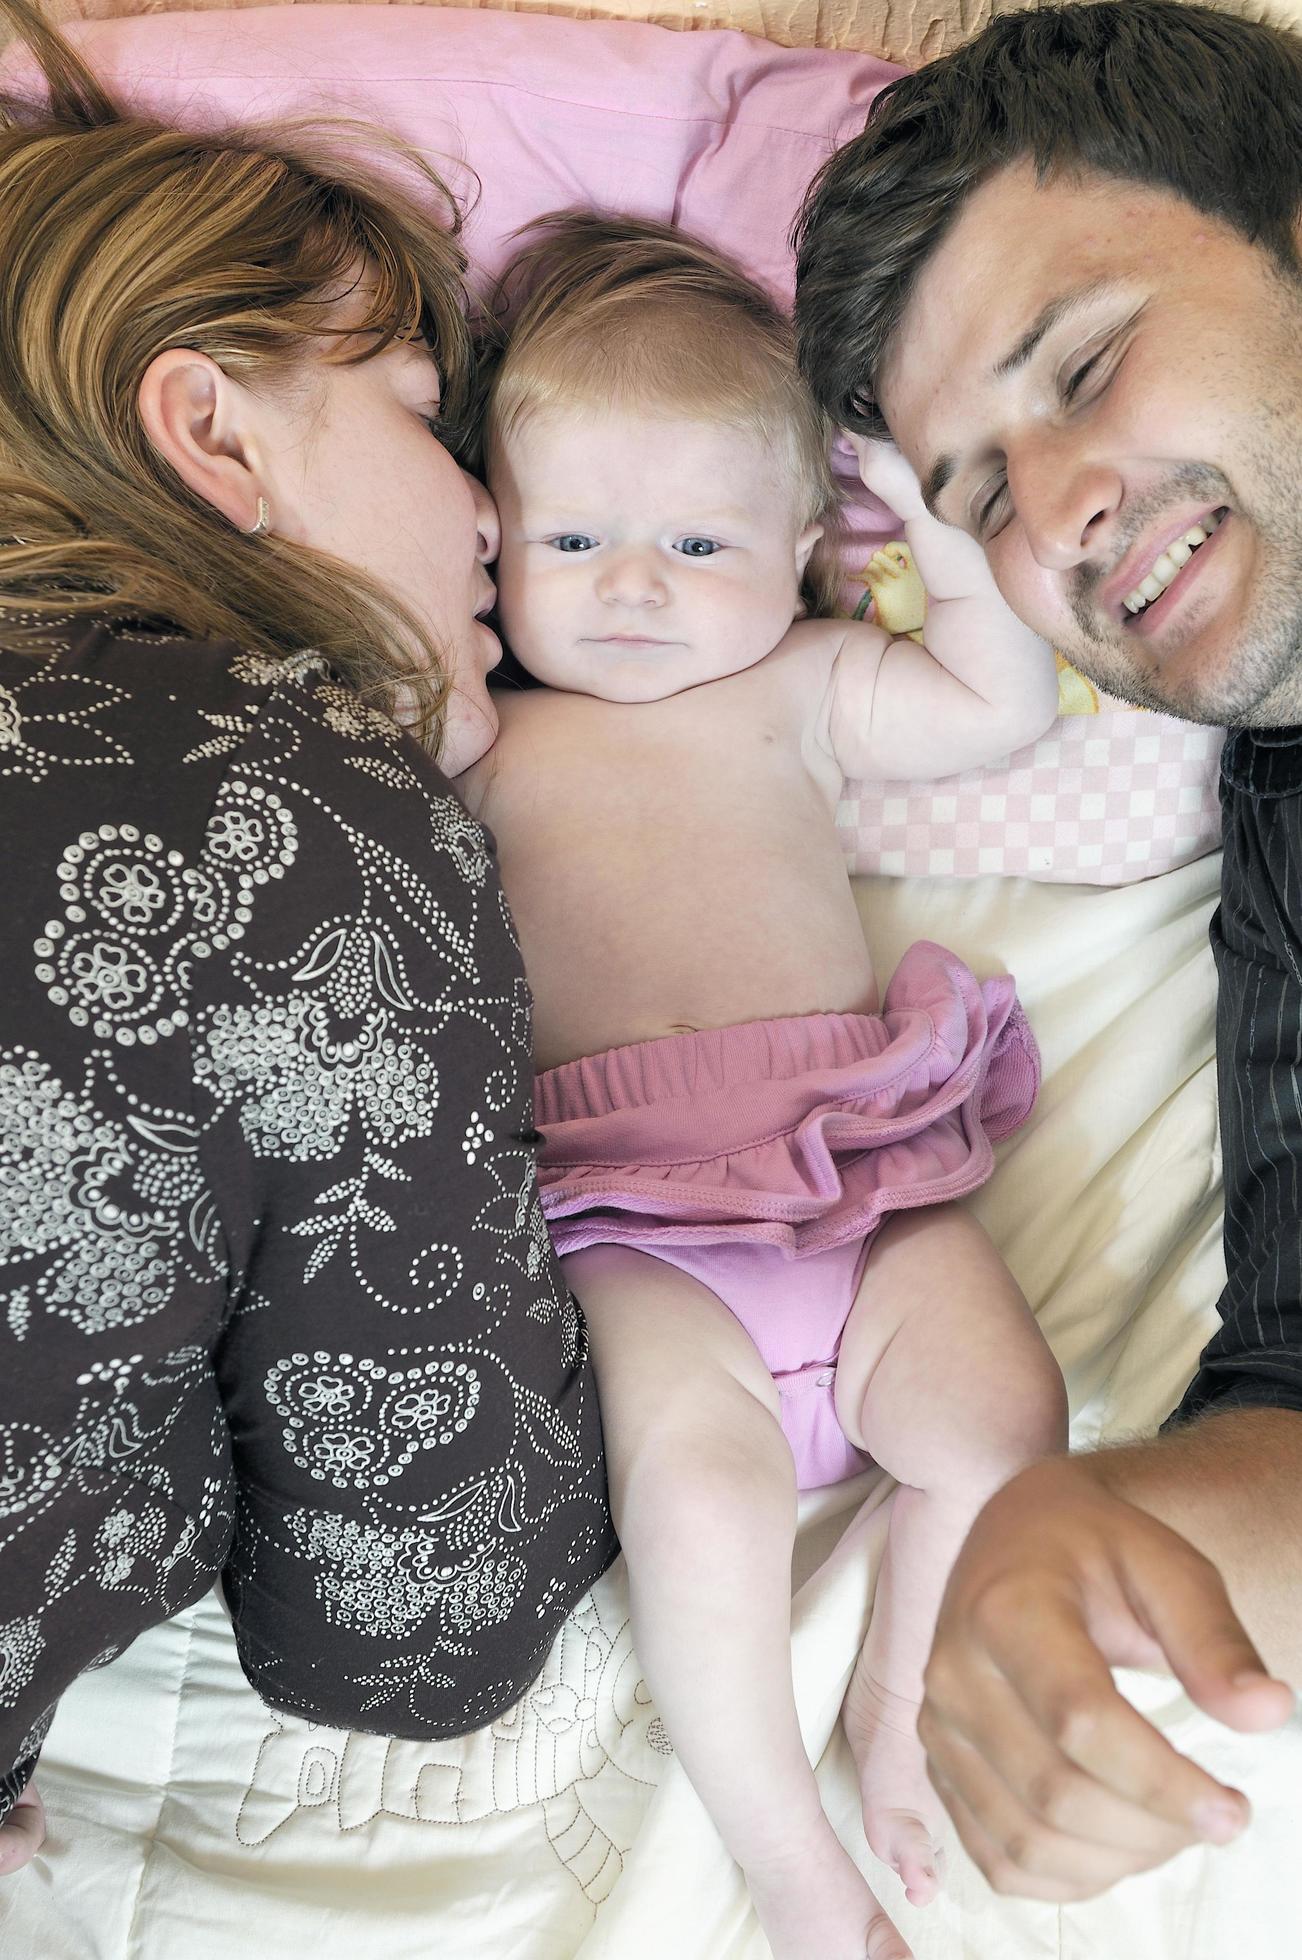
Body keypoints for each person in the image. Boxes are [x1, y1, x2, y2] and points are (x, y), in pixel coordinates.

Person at [0, 0, 616, 1879]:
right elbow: (421, 1624)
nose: (501, 524)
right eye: (431, 427)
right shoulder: (292, 810)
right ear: (209, 432)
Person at [458, 210, 1065, 1960]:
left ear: (805, 547)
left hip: (851, 1170)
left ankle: (894, 1702)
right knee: (696, 1506)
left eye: (699, 541)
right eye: (571, 538)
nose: (632, 586)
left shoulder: (794, 689)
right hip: (634, 1214)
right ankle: (786, 1851)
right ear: (491, 539)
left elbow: (990, 706)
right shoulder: (487, 731)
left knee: (1002, 1420)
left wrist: (941, 531)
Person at [792, 0, 1302, 1906]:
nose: (1062, 516)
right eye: (983, 495)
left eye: (1085, 361)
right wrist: (1076, 1528)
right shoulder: (1276, 824)